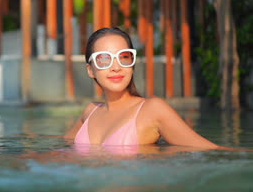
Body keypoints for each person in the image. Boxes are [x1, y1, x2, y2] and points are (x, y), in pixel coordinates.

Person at [65, 27, 226, 149]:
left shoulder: (152, 110)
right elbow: (58, 145)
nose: (116, 67)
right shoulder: (91, 111)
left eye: (124, 57)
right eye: (104, 59)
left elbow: (211, 151)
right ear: (90, 70)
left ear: (132, 64)